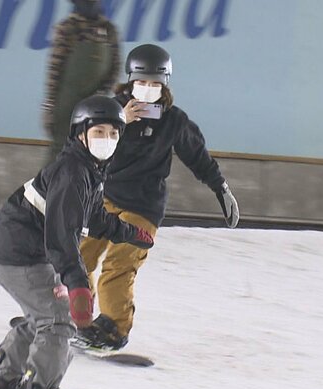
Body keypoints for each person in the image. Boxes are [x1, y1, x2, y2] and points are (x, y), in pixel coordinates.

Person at [0, 95, 154, 389]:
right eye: (98, 132)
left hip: (21, 249)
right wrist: (77, 283)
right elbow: (62, 235)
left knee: (44, 316)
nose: (106, 140)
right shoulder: (73, 173)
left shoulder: (89, 169)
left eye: (113, 133)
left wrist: (130, 233)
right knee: (58, 321)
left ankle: (3, 379)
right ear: (80, 134)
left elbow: (95, 217)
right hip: (18, 252)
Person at [77, 44, 240, 351]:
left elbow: (198, 156)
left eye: (155, 83)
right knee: (78, 257)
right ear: (130, 81)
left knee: (119, 264)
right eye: (141, 82)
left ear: (165, 84)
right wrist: (120, 122)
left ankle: (113, 329)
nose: (148, 89)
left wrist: (220, 187)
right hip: (105, 199)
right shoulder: (110, 111)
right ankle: (72, 316)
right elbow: (85, 149)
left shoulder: (174, 121)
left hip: (143, 207)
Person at [42, 0, 120, 163]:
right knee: (60, 151)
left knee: (91, 154)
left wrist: (103, 93)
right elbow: (55, 69)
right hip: (67, 105)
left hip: (97, 106)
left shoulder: (109, 30)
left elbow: (115, 67)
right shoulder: (68, 28)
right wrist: (49, 106)